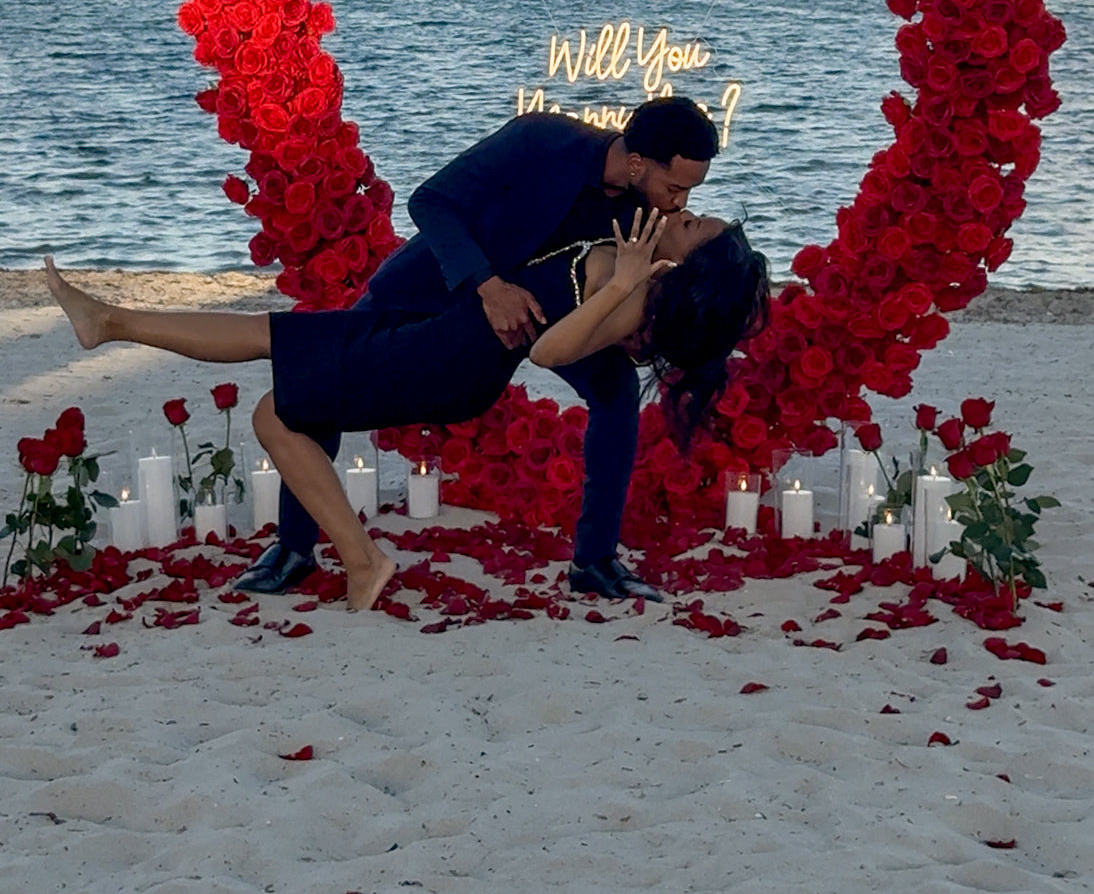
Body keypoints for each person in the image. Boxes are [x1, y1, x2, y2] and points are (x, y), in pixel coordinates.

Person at [45, 206, 768, 612]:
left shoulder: (632, 288)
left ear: (691, 264)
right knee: (272, 367)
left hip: (447, 360)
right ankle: (108, 321)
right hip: (443, 342)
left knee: (271, 389)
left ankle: (363, 561)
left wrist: (619, 283)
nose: (692, 213)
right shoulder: (633, 261)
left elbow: (547, 352)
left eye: (699, 227)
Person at [241, 96, 725, 600]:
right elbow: (430, 201)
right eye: (676, 187)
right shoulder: (542, 139)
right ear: (637, 163)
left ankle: (595, 561)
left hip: (542, 321)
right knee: (322, 388)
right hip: (435, 285)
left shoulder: (650, 210)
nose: (680, 203)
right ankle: (294, 549)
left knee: (617, 389)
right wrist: (489, 287)